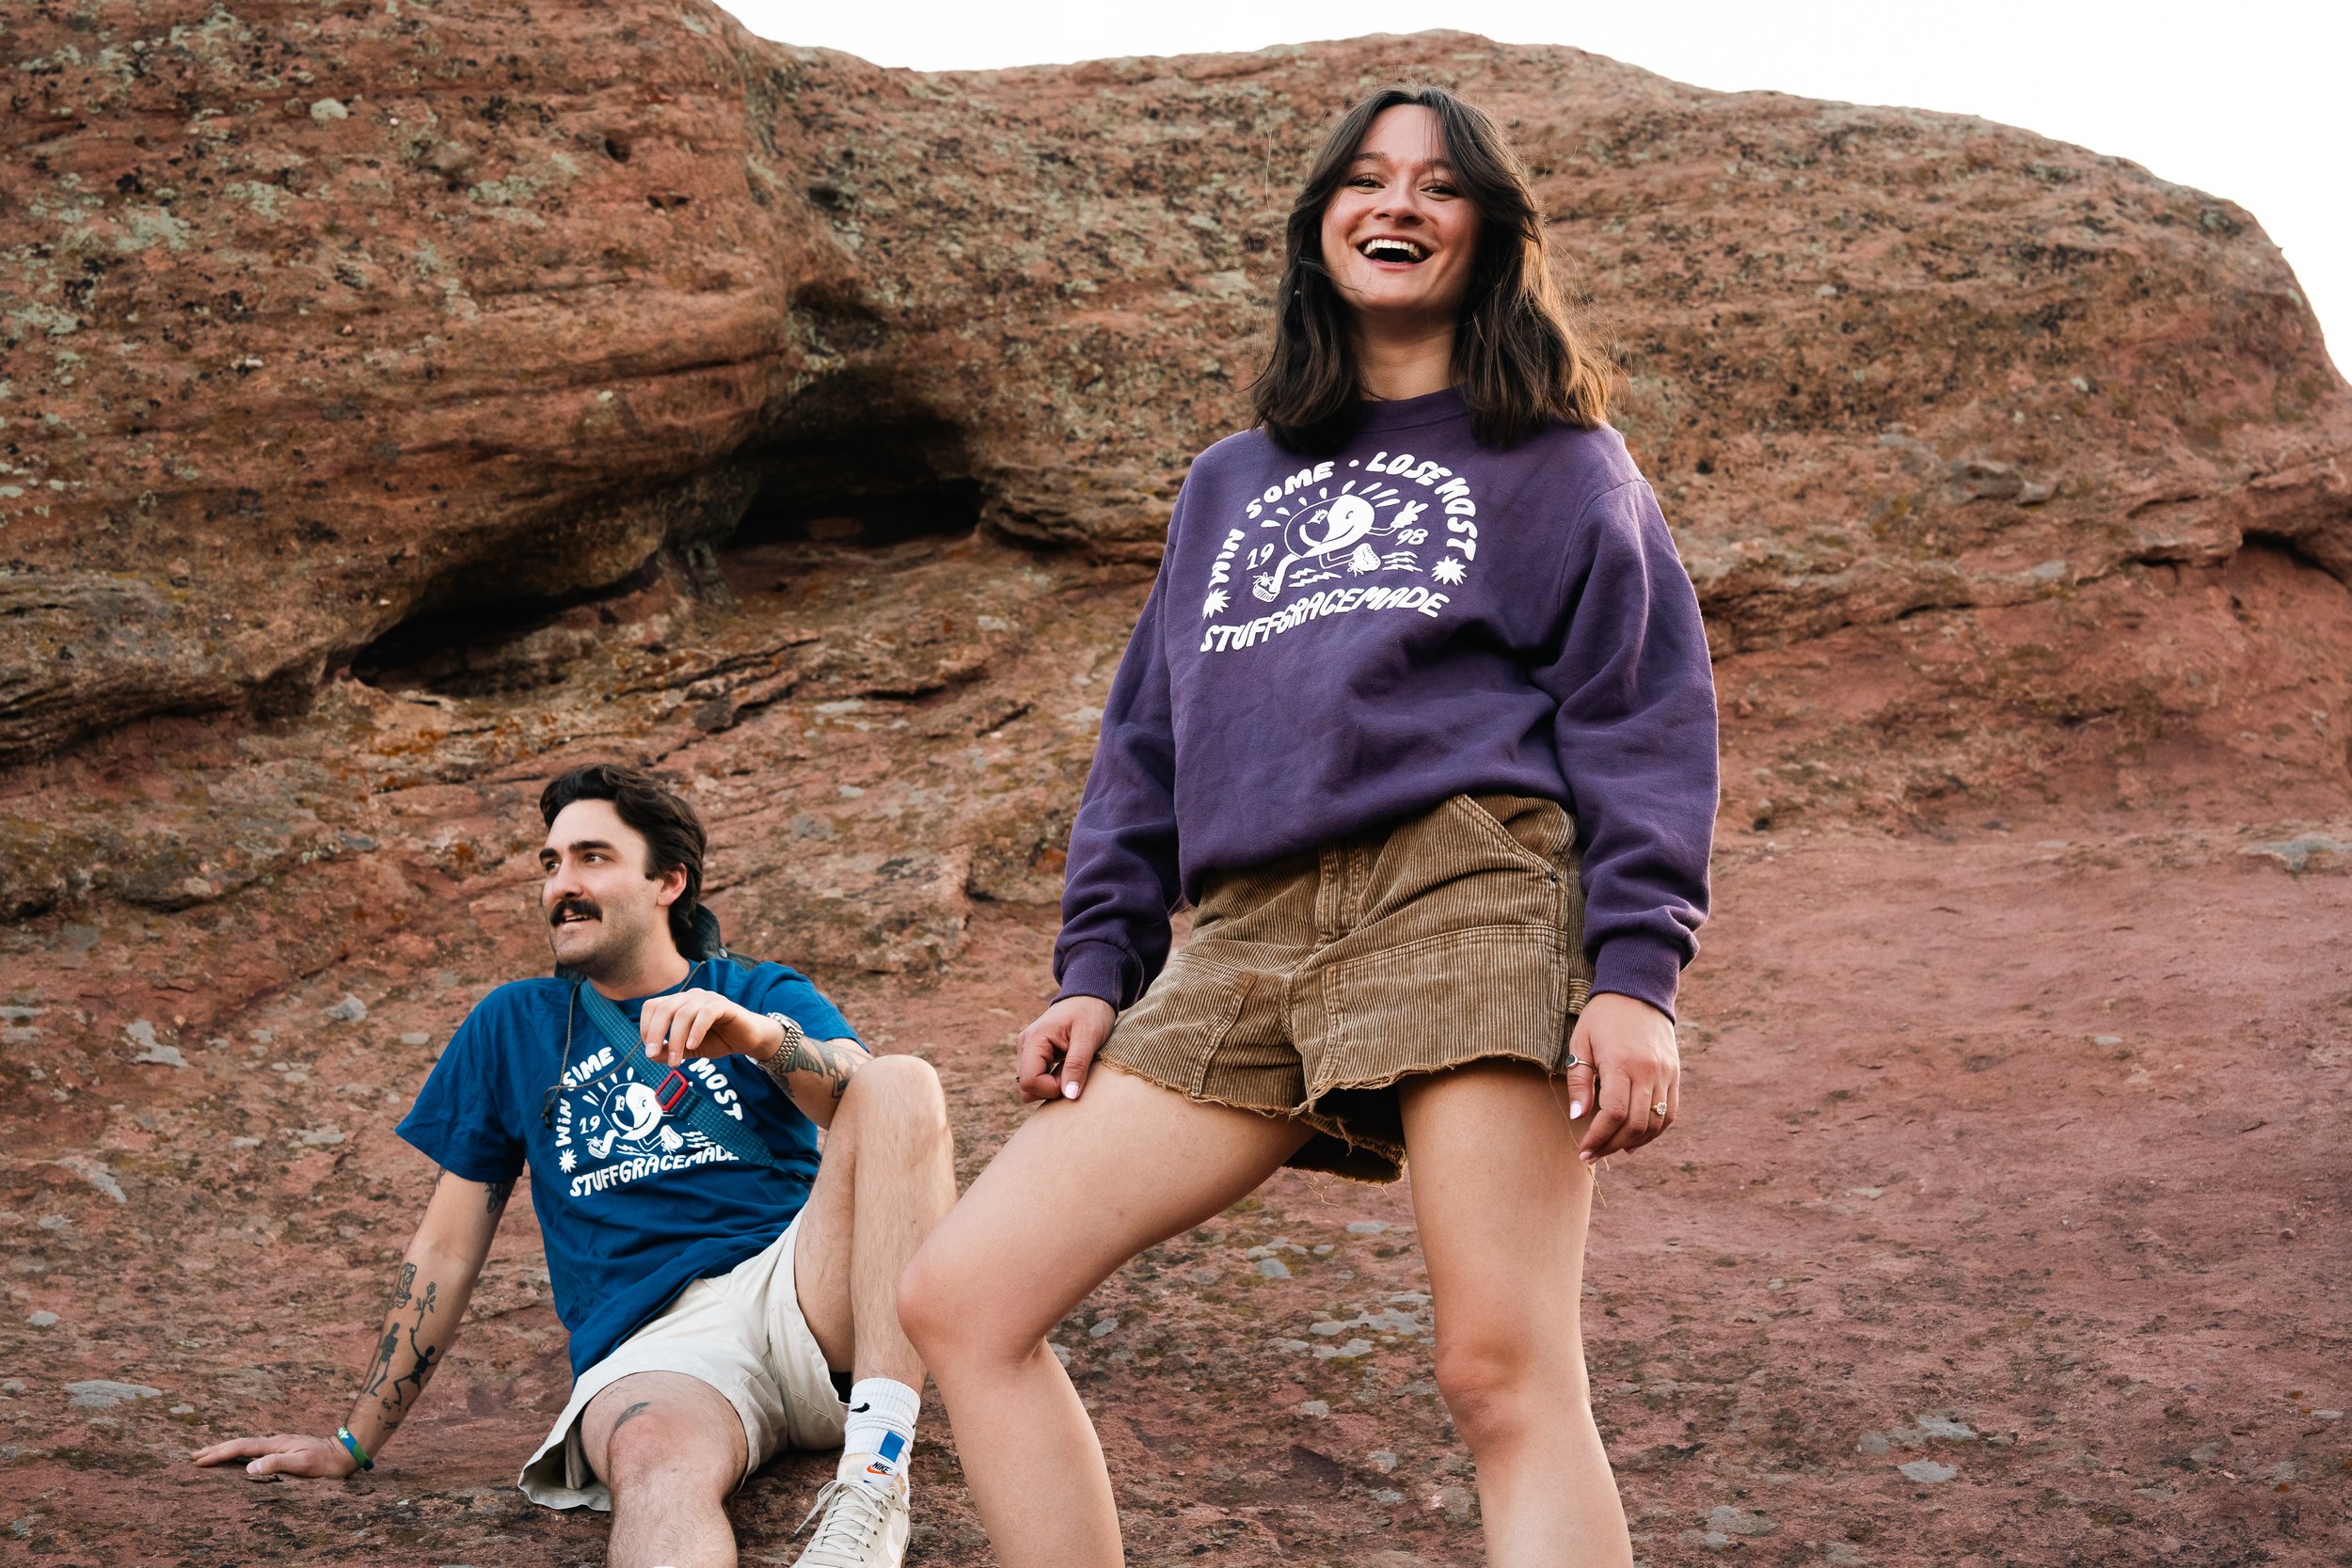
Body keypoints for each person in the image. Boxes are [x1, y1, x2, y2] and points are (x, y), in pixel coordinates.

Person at [898, 85, 1717, 1568]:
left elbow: (1640, 713)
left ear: (1488, 234)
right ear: (1320, 224)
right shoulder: (1232, 479)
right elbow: (1146, 739)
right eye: (1366, 178)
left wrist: (1635, 976)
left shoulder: (1561, 460)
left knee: (1499, 1368)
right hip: (1249, 929)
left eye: (1438, 185)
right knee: (964, 1294)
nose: (1397, 203)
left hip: (1465, 882)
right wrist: (1097, 963)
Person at [196, 763, 957, 1568]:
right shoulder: (512, 1024)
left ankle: (875, 1480)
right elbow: (446, 1250)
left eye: (593, 857)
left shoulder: (755, 989)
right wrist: (353, 1440)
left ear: (669, 881)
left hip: (802, 1289)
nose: (563, 884)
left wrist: (758, 1035)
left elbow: (867, 1099)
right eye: (552, 863)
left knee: (902, 1079)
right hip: (657, 1348)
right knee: (653, 1462)